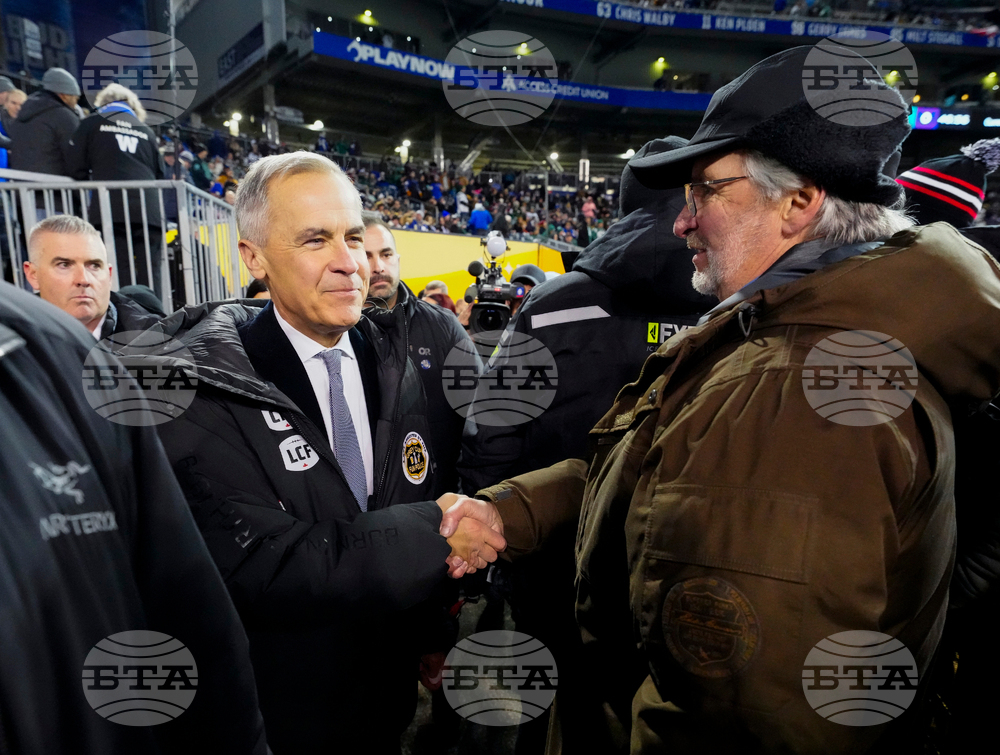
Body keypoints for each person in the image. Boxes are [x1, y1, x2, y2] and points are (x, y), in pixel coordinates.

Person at [444, 44, 1000, 752]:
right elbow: (661, 469)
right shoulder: (789, 332)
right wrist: (511, 510)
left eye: (707, 190)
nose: (680, 223)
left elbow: (742, 718)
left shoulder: (798, 393)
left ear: (799, 202)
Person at [149, 153, 504, 753]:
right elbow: (263, 563)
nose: (349, 263)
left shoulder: (395, 361)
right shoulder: (197, 389)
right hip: (281, 713)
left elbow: (406, 490)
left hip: (385, 701)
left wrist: (431, 628)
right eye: (316, 240)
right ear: (253, 257)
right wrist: (436, 532)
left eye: (354, 238)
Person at [0, 279, 268, 754]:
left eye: (91, 264)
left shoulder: (55, 353)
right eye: (65, 264)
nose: (81, 278)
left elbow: (186, 600)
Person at [363, 211, 475, 494]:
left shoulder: (443, 325)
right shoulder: (334, 332)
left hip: (441, 501)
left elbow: (477, 416)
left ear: (398, 259)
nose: (378, 266)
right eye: (367, 256)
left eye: (386, 254)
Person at [67, 83, 165, 297]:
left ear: (103, 103)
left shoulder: (92, 123)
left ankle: (127, 323)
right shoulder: (145, 131)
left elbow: (76, 167)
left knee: (120, 270)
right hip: (148, 211)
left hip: (112, 210)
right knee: (151, 272)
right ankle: (157, 321)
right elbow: (160, 173)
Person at [22, 215, 161, 339]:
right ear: (33, 275)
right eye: (64, 265)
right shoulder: (11, 340)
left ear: (109, 275)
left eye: (94, 266)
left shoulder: (157, 339)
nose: (83, 280)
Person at [8, 67, 80, 179]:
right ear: (64, 95)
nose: (75, 104)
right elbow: (76, 158)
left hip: (23, 190)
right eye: (75, 98)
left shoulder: (23, 114)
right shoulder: (64, 116)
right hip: (56, 190)